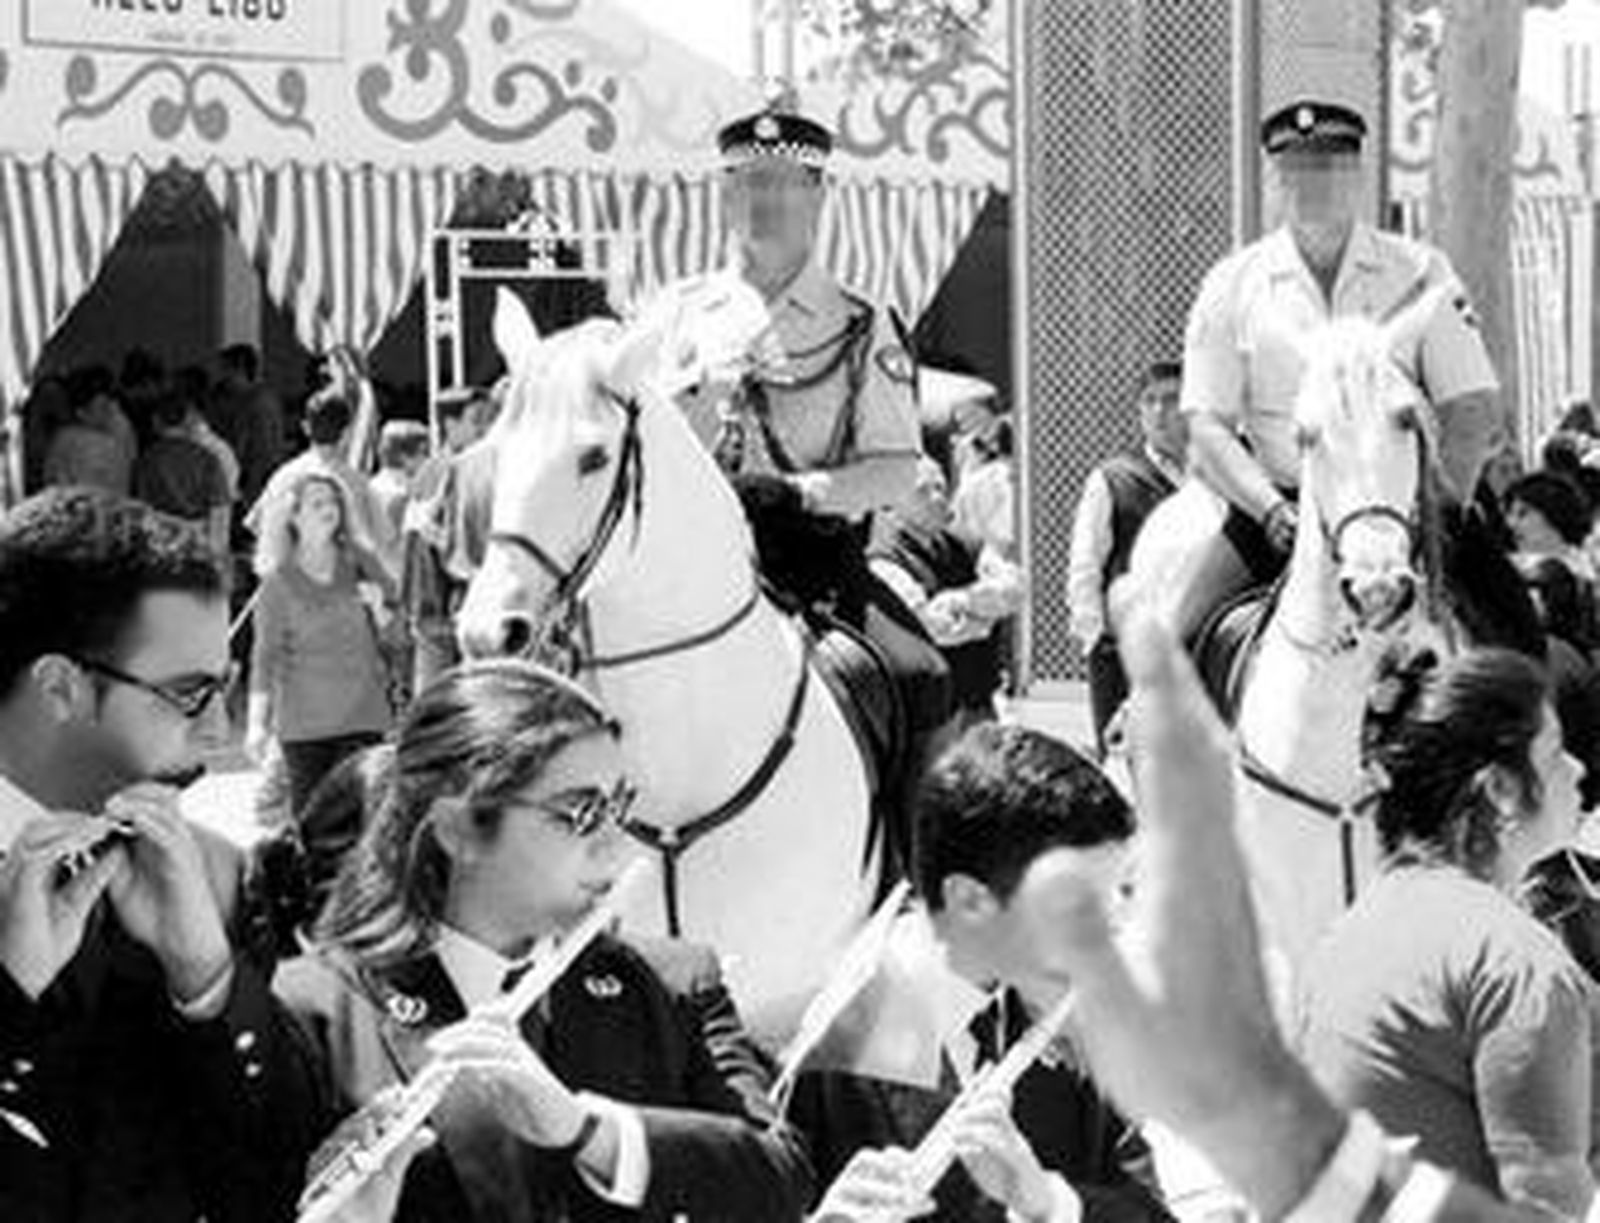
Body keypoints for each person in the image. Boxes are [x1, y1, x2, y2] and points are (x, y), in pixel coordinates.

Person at [274, 659, 815, 1221]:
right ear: (458, 829)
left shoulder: (673, 980)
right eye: (580, 813)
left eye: (619, 807)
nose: (618, 847)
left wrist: (591, 1132)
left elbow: (784, 1178)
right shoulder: (316, 1011)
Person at [0, 486, 324, 1221]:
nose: (218, 730)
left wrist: (208, 982)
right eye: (190, 693)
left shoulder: (213, 874)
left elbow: (279, 1174)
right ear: (59, 687)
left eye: (227, 687)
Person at [788, 721, 1173, 1223]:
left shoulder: (1060, 1007)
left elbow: (1146, 1209)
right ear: (971, 901)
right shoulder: (844, 1055)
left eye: (1116, 896)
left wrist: (1051, 1204)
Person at [1171, 99, 1504, 646]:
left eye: (1330, 168)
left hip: (1413, 511)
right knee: (1171, 648)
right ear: (1273, 179)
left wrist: (1437, 515)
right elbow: (1207, 424)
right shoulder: (1230, 285)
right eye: (1296, 170)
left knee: (1517, 645)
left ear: (1357, 176)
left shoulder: (1423, 273)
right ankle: (1132, 726)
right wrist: (1269, 508)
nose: (1313, 185)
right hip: (1281, 509)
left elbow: (1472, 407)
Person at [1298, 648, 1596, 1216]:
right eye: (1555, 753)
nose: (1578, 769)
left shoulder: (1353, 929)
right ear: (1501, 791)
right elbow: (1546, 1206)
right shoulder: (1514, 961)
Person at [247, 471, 397, 822]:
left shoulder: (361, 560)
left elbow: (398, 630)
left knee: (363, 826)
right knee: (315, 829)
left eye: (333, 501)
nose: (329, 509)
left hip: (364, 717)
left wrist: (381, 612)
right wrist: (256, 724)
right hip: (304, 728)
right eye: (317, 503)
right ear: (293, 516)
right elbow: (264, 659)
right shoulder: (277, 582)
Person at [1066, 362, 1187, 755]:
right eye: (1149, 401)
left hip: (1194, 647)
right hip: (1126, 653)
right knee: (1130, 767)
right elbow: (1085, 566)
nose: (1158, 411)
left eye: (1171, 399)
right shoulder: (1114, 479)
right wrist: (1097, 644)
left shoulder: (1217, 476)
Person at [868, 457, 1024, 724]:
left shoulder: (965, 543)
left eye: (941, 487)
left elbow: (1016, 588)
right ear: (891, 501)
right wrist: (986, 615)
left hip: (980, 704)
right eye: (923, 491)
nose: (938, 498)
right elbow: (933, 628)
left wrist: (959, 600)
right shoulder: (884, 560)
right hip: (927, 718)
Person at [246, 388, 396, 577]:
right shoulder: (358, 484)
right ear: (348, 432)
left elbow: (258, 528)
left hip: (289, 591)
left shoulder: (281, 478)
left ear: (305, 428)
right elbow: (382, 543)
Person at [132, 385, 233, 557]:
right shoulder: (207, 458)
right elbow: (220, 510)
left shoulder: (146, 460)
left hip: (159, 544)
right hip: (199, 543)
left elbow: (140, 508)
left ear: (156, 421)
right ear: (187, 419)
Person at [212, 342, 287, 509]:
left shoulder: (259, 403)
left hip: (258, 483)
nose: (223, 377)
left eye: (226, 371)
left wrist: (249, 492)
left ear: (239, 370)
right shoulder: (246, 400)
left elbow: (262, 453)